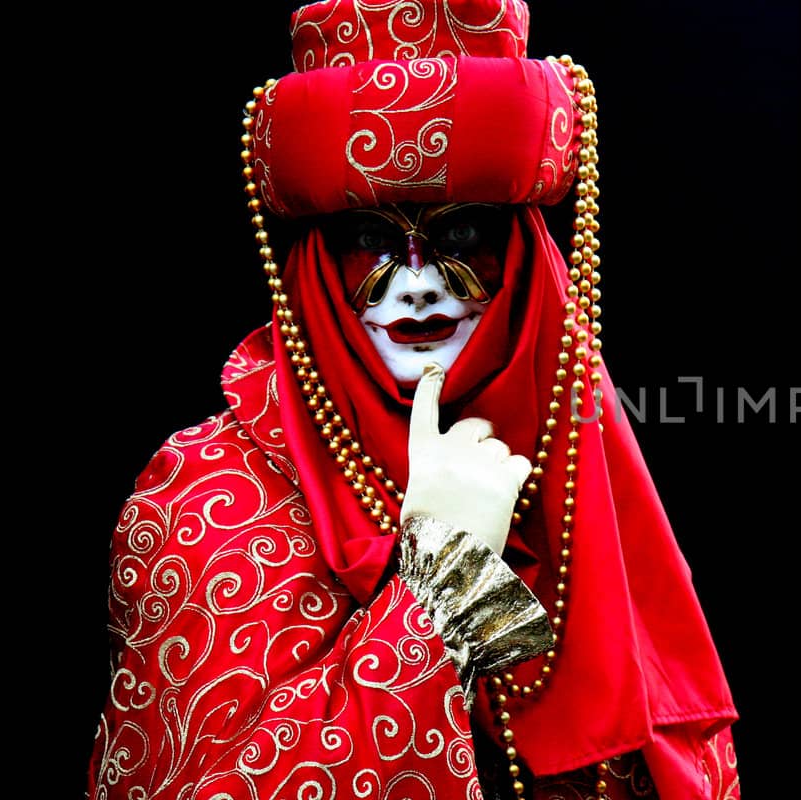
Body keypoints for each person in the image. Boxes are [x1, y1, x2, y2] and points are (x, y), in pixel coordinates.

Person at [87, 1, 739, 798]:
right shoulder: (204, 499)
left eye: (463, 237)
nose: (420, 283)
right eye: (370, 240)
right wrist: (443, 581)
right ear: (318, 265)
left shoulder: (582, 474)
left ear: (526, 260)